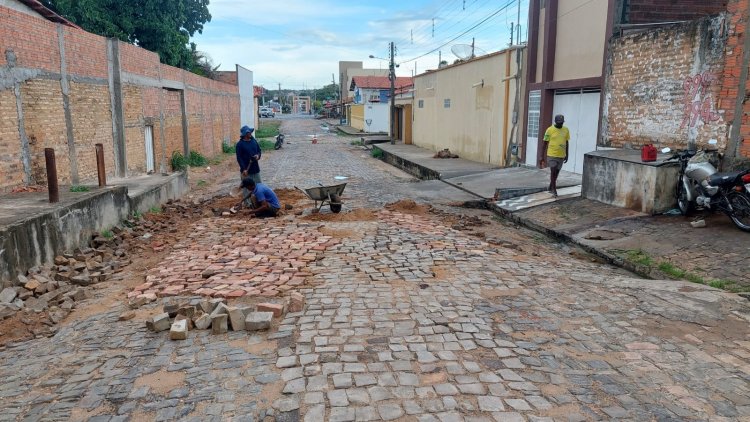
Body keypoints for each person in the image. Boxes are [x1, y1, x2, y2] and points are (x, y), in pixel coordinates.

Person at [541, 114, 570, 197]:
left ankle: (551, 186)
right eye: (559, 123)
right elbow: (544, 144)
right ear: (555, 122)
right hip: (551, 155)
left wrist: (567, 154)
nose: (560, 124)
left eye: (562, 123)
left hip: (561, 155)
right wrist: (541, 156)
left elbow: (567, 142)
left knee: (556, 173)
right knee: (553, 171)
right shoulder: (549, 130)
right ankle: (554, 189)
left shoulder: (566, 130)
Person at [236, 125, 261, 205]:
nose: (250, 133)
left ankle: (259, 200)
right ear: (244, 134)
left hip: (255, 168)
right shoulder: (240, 144)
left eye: (250, 131)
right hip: (246, 171)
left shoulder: (254, 141)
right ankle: (248, 204)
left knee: (258, 185)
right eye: (248, 132)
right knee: (247, 188)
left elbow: (259, 151)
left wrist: (258, 156)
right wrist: (243, 169)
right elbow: (239, 158)